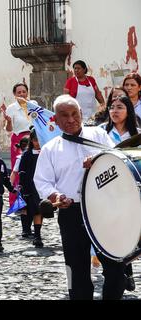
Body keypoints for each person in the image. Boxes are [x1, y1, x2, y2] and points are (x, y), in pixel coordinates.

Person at [34, 95, 126, 300]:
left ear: (81, 114)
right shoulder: (50, 149)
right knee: (76, 271)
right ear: (55, 120)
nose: (70, 119)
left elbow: (119, 160)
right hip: (72, 212)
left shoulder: (99, 136)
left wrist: (99, 159)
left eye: (75, 114)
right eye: (64, 116)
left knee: (115, 269)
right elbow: (42, 181)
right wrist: (56, 195)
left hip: (104, 209)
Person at [99, 95, 140, 292]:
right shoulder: (100, 133)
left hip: (131, 191)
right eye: (111, 107)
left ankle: (125, 270)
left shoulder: (137, 135)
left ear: (128, 111)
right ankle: (115, 271)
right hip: (107, 191)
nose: (114, 111)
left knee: (128, 231)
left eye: (120, 107)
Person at [4, 83, 33, 207]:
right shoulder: (11, 108)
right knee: (17, 171)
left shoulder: (33, 105)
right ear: (15, 95)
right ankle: (15, 201)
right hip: (19, 140)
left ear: (27, 92)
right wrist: (9, 122)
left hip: (33, 139)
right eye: (19, 92)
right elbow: (8, 129)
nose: (22, 94)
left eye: (24, 92)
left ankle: (33, 199)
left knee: (32, 169)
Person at [18, 128, 44, 248]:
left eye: (39, 140)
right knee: (29, 209)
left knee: (39, 210)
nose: (37, 142)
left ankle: (37, 234)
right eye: (35, 140)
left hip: (42, 186)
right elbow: (22, 172)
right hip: (30, 187)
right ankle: (28, 230)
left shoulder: (46, 153)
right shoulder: (27, 155)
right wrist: (23, 187)